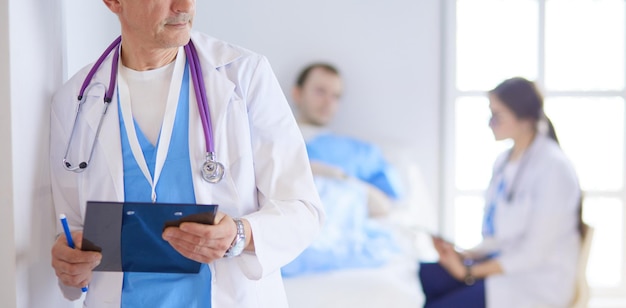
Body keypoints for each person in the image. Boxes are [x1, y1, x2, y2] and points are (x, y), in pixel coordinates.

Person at [49, 1, 324, 307]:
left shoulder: (244, 76)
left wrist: (238, 235)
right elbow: (73, 227)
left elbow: (303, 209)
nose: (184, 6)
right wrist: (69, 261)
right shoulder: (74, 101)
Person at [418, 77, 582, 308]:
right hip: (501, 269)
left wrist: (468, 272)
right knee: (421, 278)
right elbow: (499, 236)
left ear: (524, 119)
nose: (490, 123)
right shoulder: (504, 162)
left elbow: (534, 252)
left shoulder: (553, 168)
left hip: (533, 283)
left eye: (498, 115)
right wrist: (465, 255)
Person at [280, 63, 404, 276]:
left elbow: (384, 206)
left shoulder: (359, 153)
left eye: (336, 96)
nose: (328, 102)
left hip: (336, 239)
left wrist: (337, 176)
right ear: (297, 93)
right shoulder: (272, 143)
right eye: (320, 92)